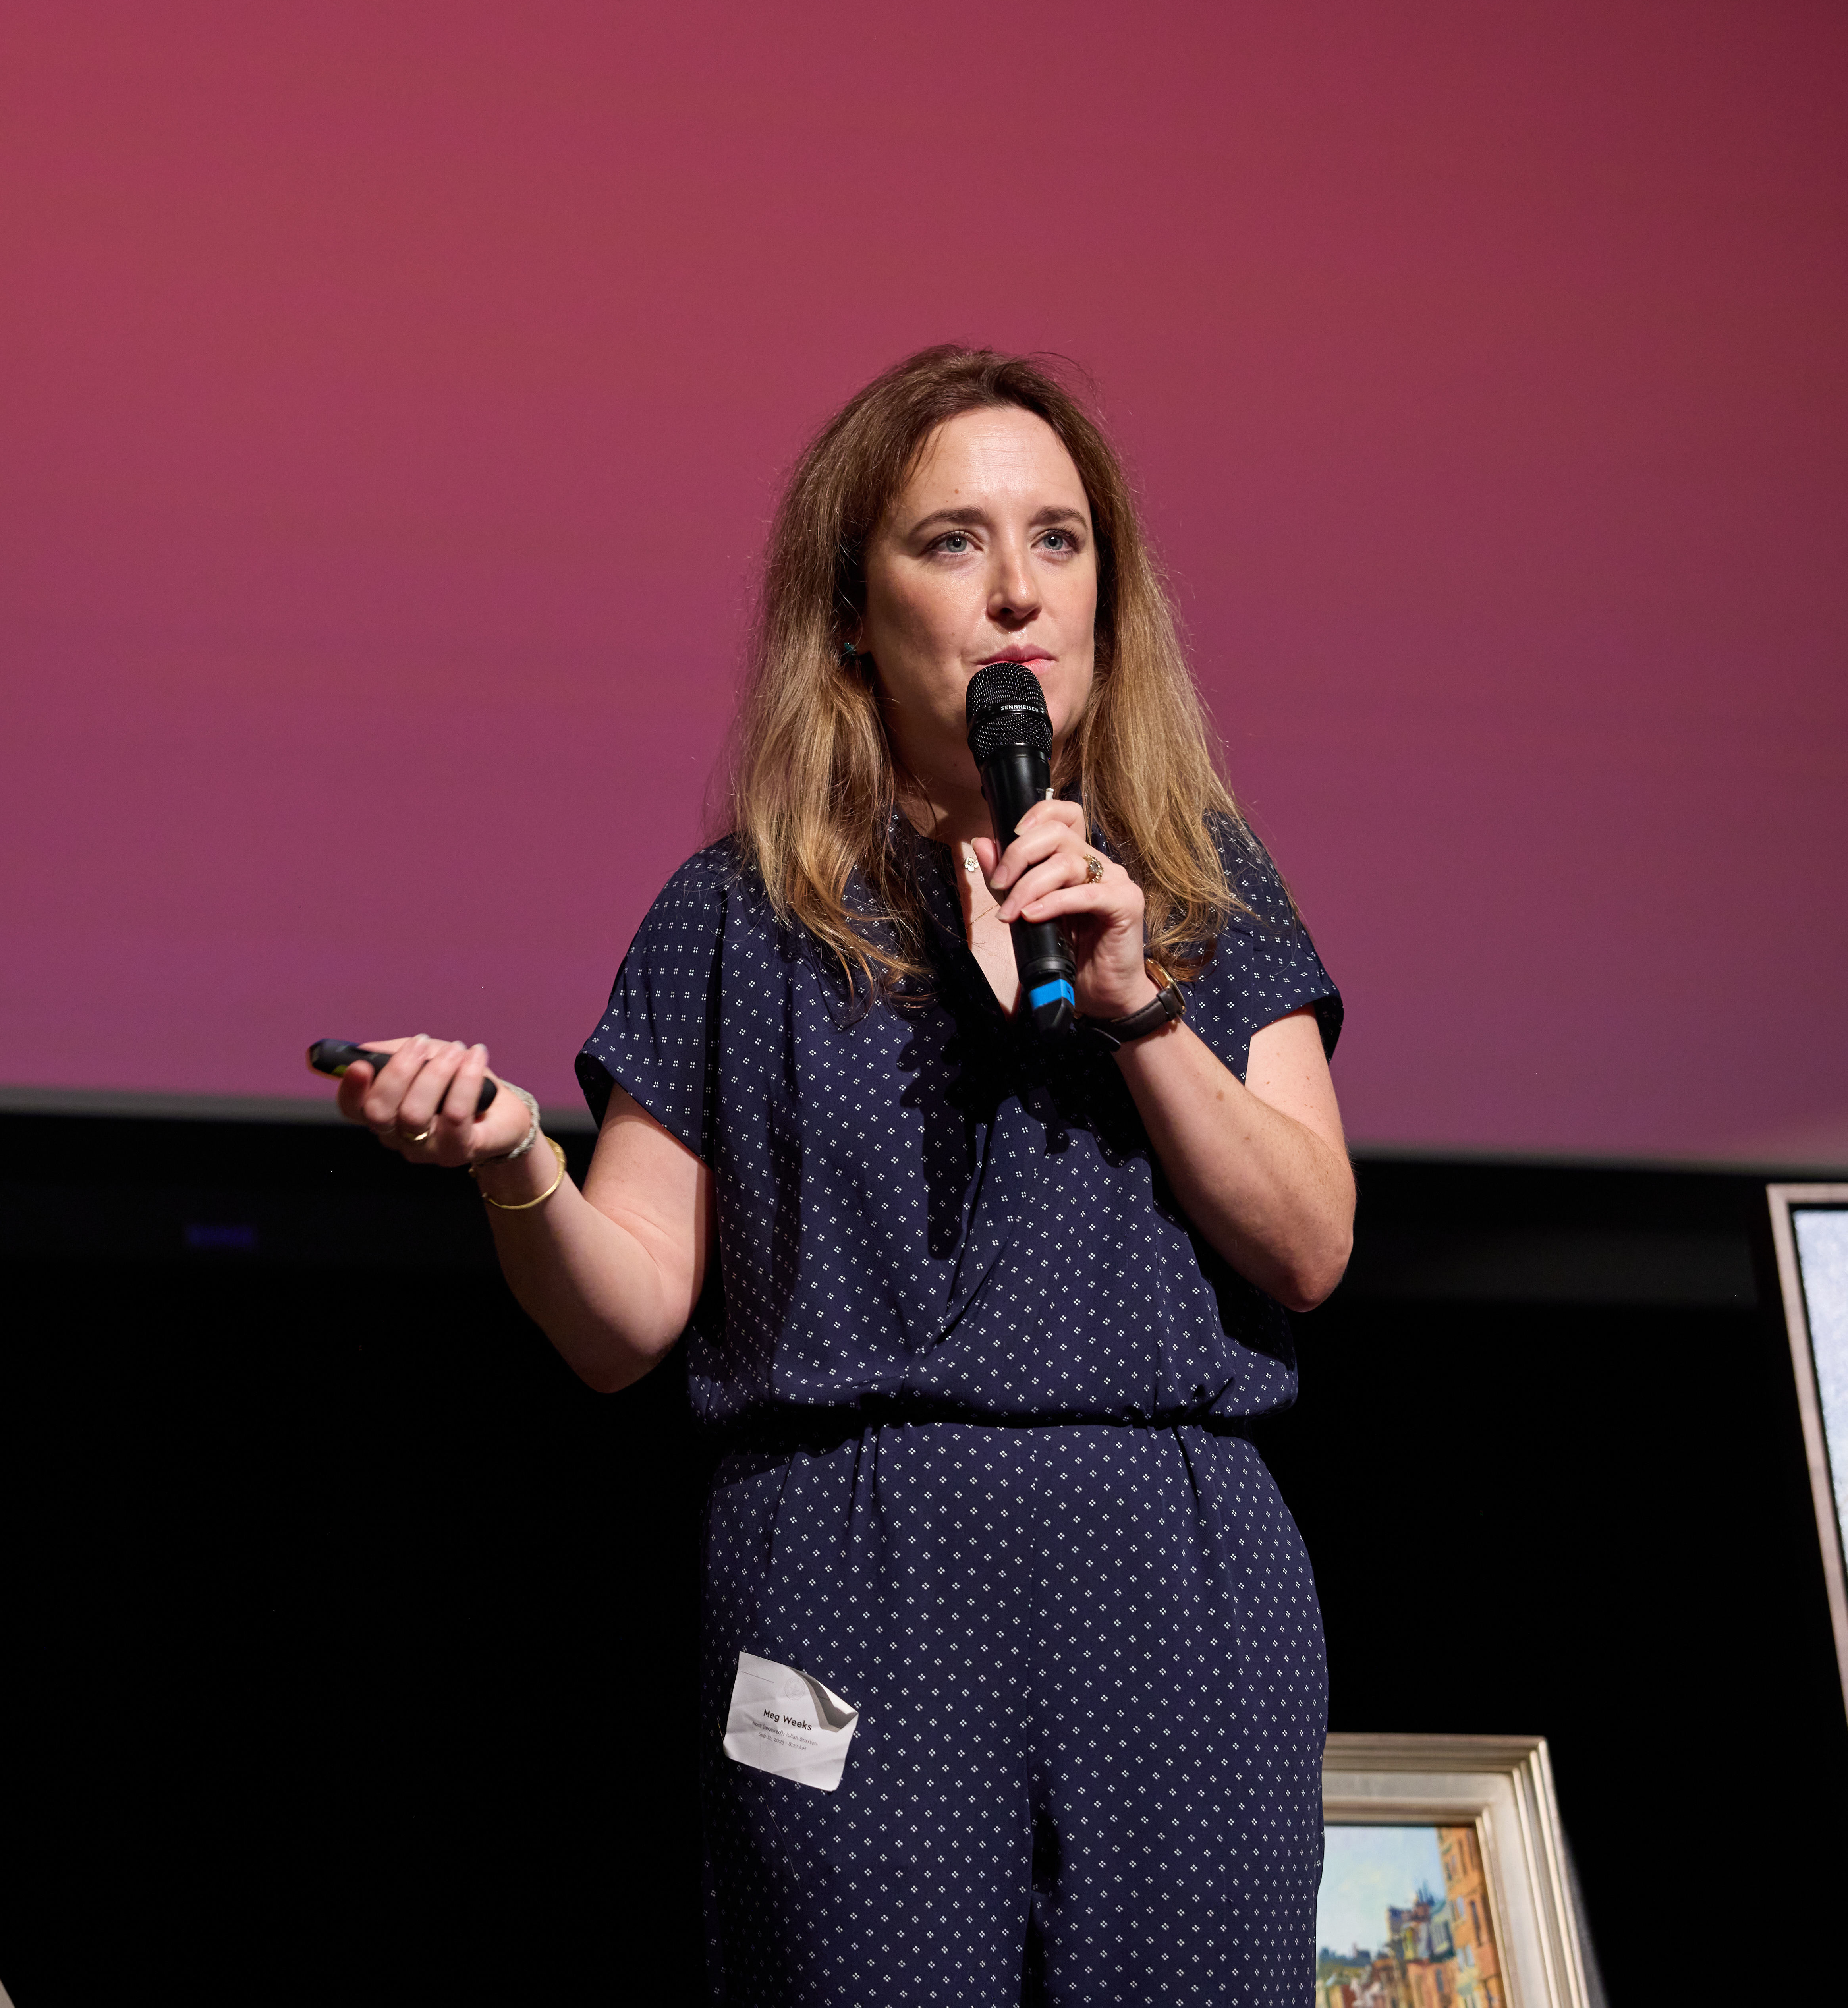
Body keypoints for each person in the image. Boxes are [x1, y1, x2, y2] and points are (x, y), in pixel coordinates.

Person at [336, 346, 1351, 2006]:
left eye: (1057, 539)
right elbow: (620, 1323)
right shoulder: (733, 915)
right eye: (950, 542)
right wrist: (519, 1160)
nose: (1016, 591)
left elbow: (1309, 1247)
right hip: (849, 1575)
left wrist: (1134, 1012)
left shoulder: (1197, 882)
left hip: (1175, 1581)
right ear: (849, 615)